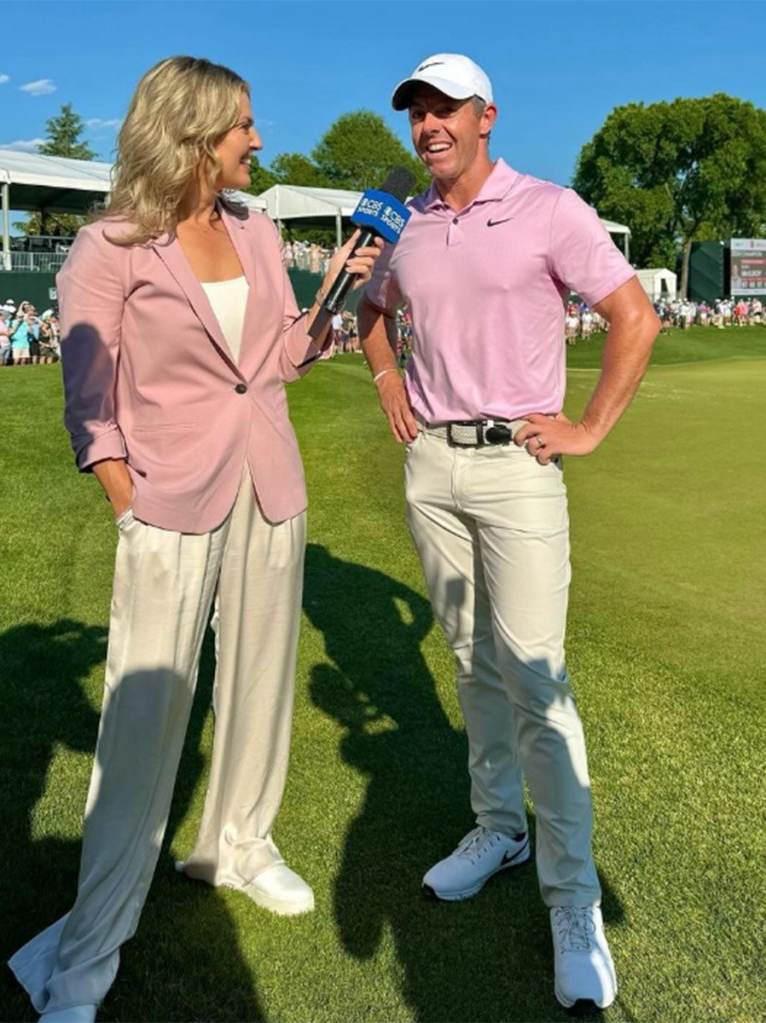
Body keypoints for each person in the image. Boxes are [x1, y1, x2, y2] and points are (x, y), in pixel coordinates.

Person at [7, 55, 381, 1023]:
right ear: (191, 133)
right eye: (243, 126)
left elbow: (275, 362)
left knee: (260, 682)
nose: (258, 140)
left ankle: (238, 845)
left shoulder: (256, 231)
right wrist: (129, 503)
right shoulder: (109, 248)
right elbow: (88, 407)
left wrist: (332, 300)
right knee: (143, 724)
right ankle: (86, 957)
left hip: (271, 485)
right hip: (166, 505)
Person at [358, 53, 660, 1013]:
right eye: (417, 111)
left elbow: (632, 316)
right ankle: (499, 829)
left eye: (445, 108)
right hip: (433, 469)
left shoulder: (548, 208)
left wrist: (589, 427)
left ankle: (572, 900)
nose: (429, 125)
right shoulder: (407, 221)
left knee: (534, 673)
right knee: (471, 664)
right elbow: (374, 313)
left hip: (519, 468)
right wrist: (384, 381)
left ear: (486, 115)